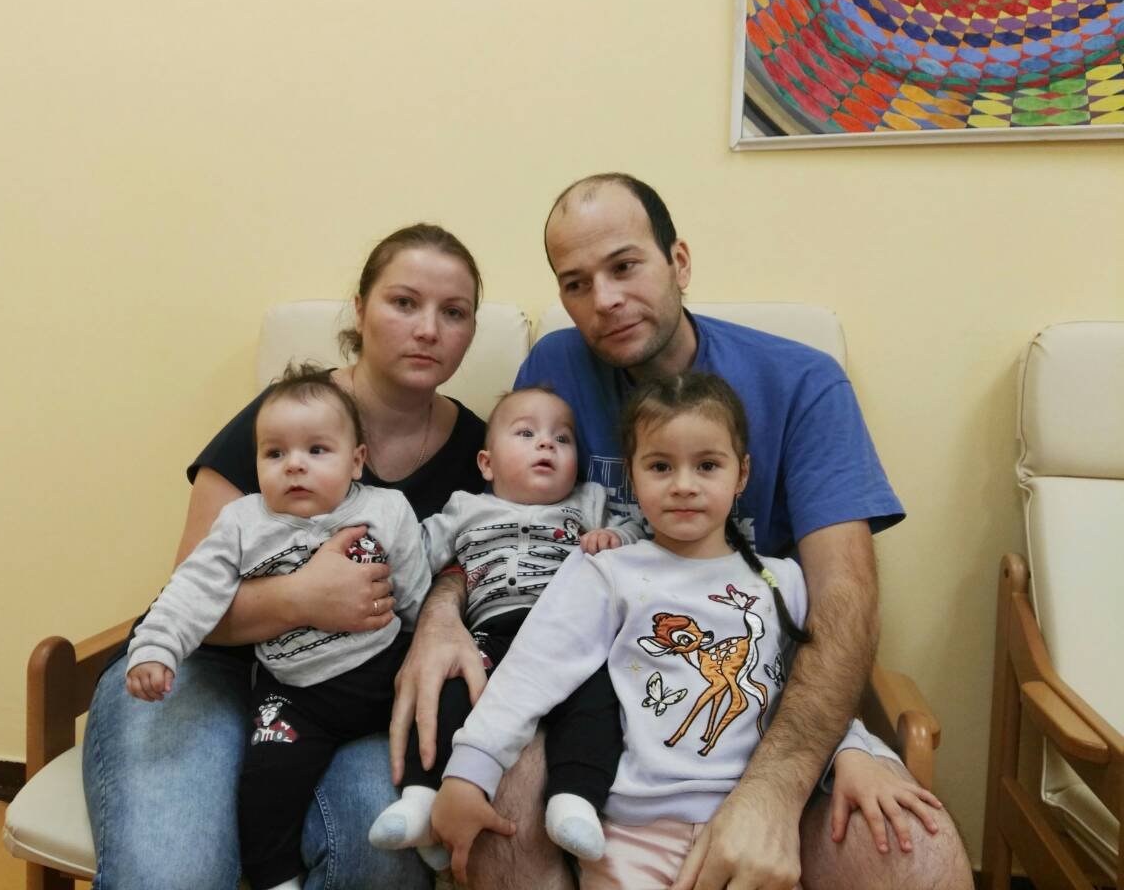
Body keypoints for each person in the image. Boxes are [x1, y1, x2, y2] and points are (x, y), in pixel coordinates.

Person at [391, 174, 971, 889]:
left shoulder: (802, 383)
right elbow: (498, 532)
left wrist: (783, 786)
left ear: (679, 262)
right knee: (499, 820)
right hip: (598, 708)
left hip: (769, 724)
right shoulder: (556, 370)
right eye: (576, 283)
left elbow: (840, 605)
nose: (604, 299)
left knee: (920, 854)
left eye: (625, 266)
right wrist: (441, 616)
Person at [83, 223, 486, 890]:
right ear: (360, 310)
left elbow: (482, 568)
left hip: (359, 683)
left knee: (380, 860)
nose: (428, 330)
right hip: (207, 666)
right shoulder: (285, 420)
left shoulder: (481, 450)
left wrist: (441, 613)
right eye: (403, 303)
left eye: (454, 312)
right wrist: (302, 598)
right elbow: (188, 592)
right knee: (174, 874)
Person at [430, 372, 944, 890]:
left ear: (741, 474)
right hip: (633, 834)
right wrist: (469, 771)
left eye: (707, 465)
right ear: (631, 476)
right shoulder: (606, 571)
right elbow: (532, 669)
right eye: (660, 466)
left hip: (749, 830)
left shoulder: (780, 579)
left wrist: (854, 751)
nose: (683, 485)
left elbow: (810, 683)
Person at [125, 365, 432, 890]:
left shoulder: (387, 510)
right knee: (265, 786)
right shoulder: (243, 523)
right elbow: (191, 588)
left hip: (381, 673)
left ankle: (430, 810)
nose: (294, 465)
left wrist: (428, 643)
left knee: (443, 711)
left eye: (317, 450)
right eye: (274, 453)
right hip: (294, 694)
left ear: (356, 460)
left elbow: (416, 593)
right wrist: (156, 649)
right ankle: (276, 878)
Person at [368, 387, 642, 867]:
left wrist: (615, 536)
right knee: (449, 688)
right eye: (526, 434)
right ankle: (421, 797)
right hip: (489, 634)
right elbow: (415, 555)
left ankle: (574, 799)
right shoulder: (464, 508)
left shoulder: (588, 502)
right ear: (487, 463)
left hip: (569, 636)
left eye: (562, 438)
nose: (547, 444)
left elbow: (640, 529)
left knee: (597, 698)